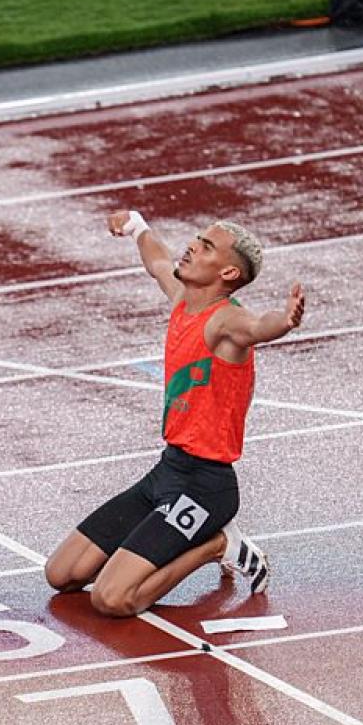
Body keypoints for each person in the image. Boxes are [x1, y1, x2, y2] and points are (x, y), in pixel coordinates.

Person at [44, 212, 305, 617]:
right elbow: (157, 260)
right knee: (61, 574)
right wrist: (136, 224)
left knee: (112, 599)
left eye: (206, 246)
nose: (193, 246)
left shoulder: (227, 321)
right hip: (167, 472)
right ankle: (190, 541)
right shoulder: (183, 299)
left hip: (204, 488)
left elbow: (258, 326)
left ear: (229, 271)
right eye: (197, 238)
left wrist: (284, 323)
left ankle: (217, 545)